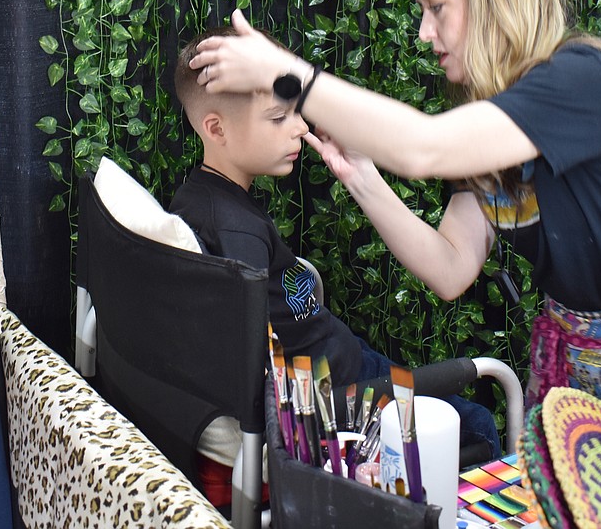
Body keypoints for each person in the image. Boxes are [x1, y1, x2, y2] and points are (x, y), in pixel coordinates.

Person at [188, 0, 601, 522]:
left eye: (437, 9)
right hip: (578, 369)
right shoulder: (493, 117)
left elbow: (424, 149)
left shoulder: (583, 81)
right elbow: (451, 267)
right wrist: (364, 180)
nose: (425, 32)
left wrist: (284, 74)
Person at [171, 28, 503, 479]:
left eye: (298, 112)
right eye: (278, 118)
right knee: (478, 424)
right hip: (339, 399)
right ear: (216, 128)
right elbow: (257, 375)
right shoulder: (235, 232)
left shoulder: (205, 200)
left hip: (342, 360)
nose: (302, 127)